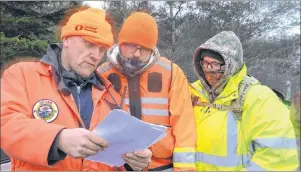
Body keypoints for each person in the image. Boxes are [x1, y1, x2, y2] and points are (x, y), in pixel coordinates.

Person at [1, 7, 152, 171]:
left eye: (101, 49)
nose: (95, 55)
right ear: (66, 39)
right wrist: (58, 139)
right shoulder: (23, 75)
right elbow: (6, 125)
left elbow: (123, 151)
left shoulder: (111, 96)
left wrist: (135, 163)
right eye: (89, 44)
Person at [98, 12, 196, 171]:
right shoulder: (102, 74)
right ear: (121, 43)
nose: (137, 53)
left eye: (144, 48)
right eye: (131, 45)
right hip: (114, 167)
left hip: (161, 166)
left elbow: (184, 128)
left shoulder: (171, 73)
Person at [189, 31, 299, 171]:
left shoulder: (259, 98)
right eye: (204, 63)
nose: (208, 69)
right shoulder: (192, 93)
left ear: (230, 66)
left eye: (215, 64)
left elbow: (277, 158)